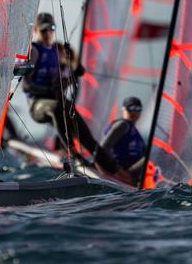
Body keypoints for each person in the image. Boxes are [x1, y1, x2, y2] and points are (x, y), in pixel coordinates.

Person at [22, 12, 123, 178]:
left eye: (51, 29)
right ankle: (73, 154)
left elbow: (79, 71)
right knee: (57, 107)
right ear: (36, 31)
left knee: (87, 137)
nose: (48, 33)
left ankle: (116, 172)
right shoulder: (34, 51)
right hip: (38, 105)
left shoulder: (57, 50)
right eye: (44, 29)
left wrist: (71, 60)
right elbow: (27, 87)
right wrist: (49, 90)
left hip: (60, 103)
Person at [100, 97, 146, 186]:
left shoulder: (136, 131)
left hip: (132, 171)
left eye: (138, 109)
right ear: (124, 109)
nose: (134, 112)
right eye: (131, 108)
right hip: (123, 170)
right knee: (148, 160)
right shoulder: (123, 125)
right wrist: (116, 170)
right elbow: (103, 148)